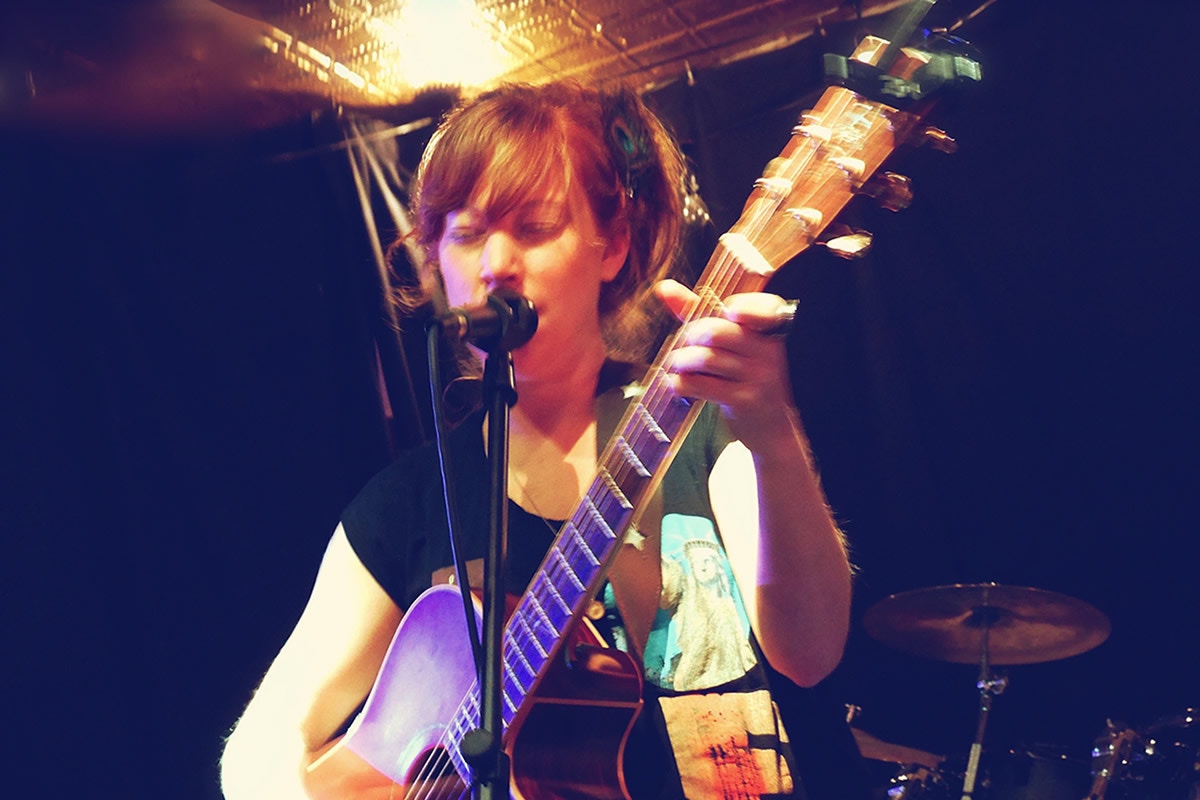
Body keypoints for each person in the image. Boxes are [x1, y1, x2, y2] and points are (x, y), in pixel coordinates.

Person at [220, 79, 866, 800]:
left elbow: (809, 656)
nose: (495, 262)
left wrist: (773, 436)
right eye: (464, 234)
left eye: (532, 226)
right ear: (436, 266)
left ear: (611, 244)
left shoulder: (705, 429)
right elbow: (263, 739)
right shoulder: (404, 505)